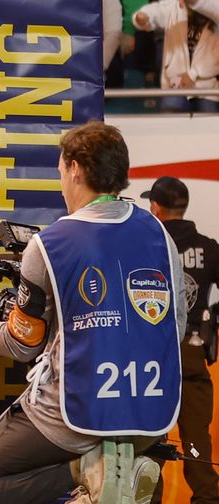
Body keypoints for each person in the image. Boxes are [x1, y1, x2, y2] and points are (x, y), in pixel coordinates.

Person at [0, 122, 185, 504]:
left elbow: (21, 343)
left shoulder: (50, 244)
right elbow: (175, 326)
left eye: (60, 168)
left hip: (75, 415)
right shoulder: (159, 234)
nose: (60, 179)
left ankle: (86, 471)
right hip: (150, 417)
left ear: (75, 168)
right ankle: (100, 480)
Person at [142, 176, 217, 504]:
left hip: (152, 358)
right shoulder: (209, 247)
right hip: (191, 352)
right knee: (197, 441)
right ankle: (208, 498)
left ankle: (148, 497)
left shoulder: (145, 245)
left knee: (150, 440)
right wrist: (214, 315)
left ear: (156, 207)